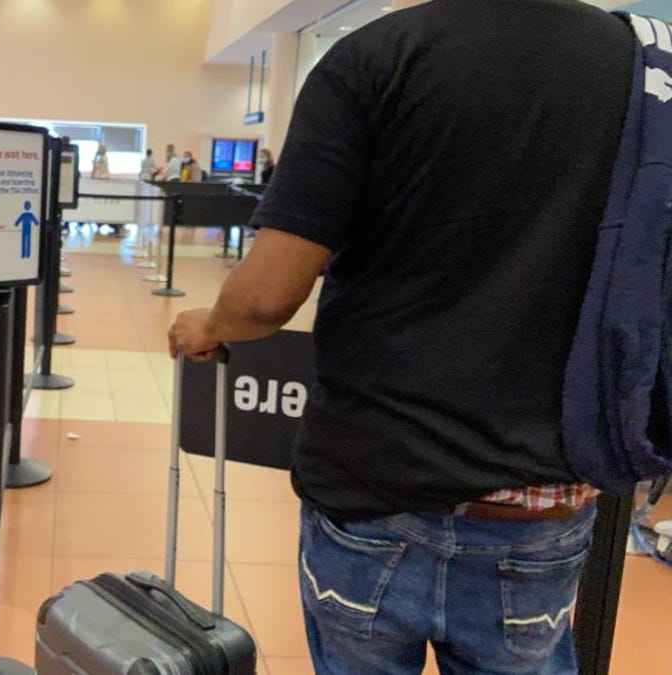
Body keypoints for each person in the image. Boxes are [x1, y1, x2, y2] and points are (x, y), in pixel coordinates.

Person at [168, 1, 632, 672]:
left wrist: (209, 324)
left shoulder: (376, 57)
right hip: (541, 493)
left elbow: (267, 294)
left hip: (376, 480)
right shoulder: (637, 66)